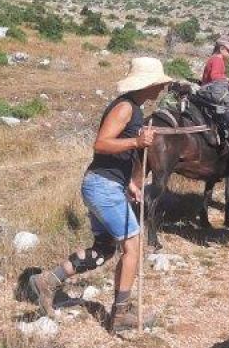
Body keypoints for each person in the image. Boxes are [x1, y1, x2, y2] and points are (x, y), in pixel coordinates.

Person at [29, 57, 172, 332]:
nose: (162, 89)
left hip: (105, 185)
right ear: (148, 84)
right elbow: (101, 144)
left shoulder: (135, 109)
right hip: (102, 188)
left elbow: (121, 154)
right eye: (159, 84)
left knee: (105, 248)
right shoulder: (125, 108)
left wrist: (131, 181)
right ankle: (120, 315)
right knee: (134, 245)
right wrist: (136, 141)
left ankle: (48, 280)